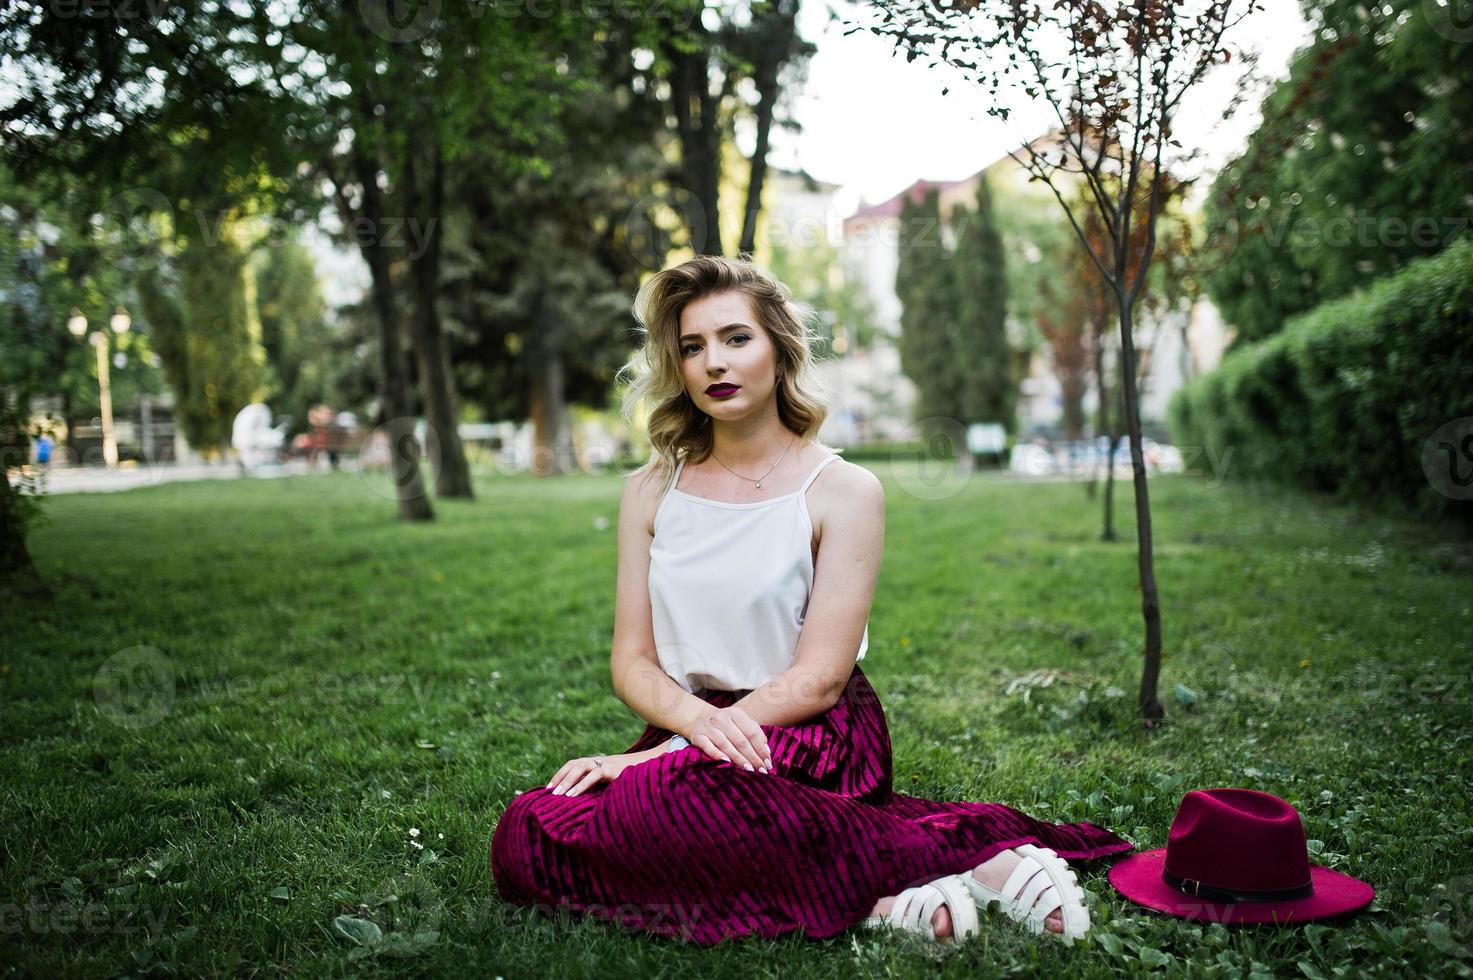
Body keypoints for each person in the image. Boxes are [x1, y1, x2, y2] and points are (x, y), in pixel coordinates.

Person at [488, 255, 1135, 946]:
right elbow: (633, 661)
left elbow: (819, 677)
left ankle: (955, 871)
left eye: (735, 338)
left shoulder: (842, 489)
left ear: (777, 347)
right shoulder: (649, 490)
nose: (714, 362)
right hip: (693, 729)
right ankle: (903, 889)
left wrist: (658, 761)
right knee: (527, 829)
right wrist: (681, 735)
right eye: (692, 347)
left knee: (667, 804)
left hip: (807, 731)